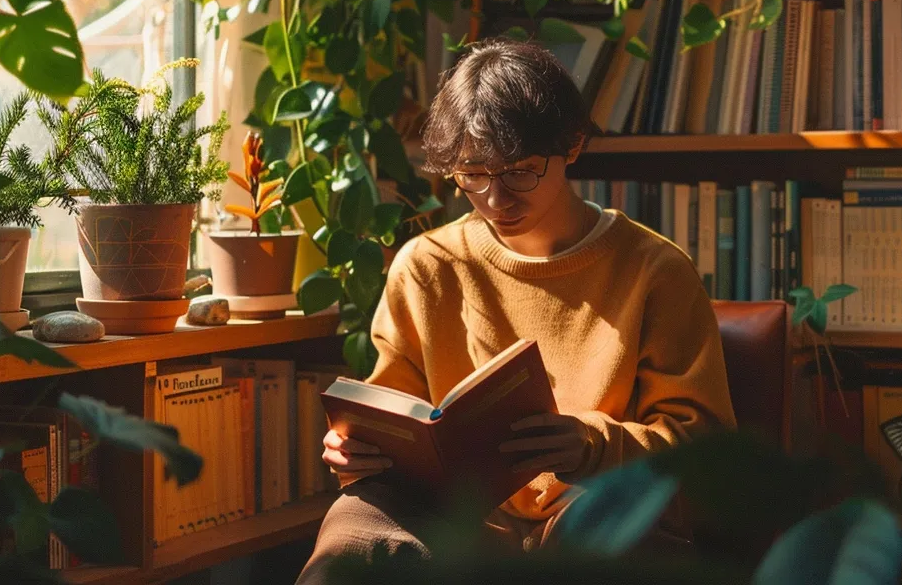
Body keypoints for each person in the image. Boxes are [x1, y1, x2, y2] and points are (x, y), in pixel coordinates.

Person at [295, 38, 736, 583]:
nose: (495, 199)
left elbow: (710, 455)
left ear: (572, 146)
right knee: (354, 529)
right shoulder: (428, 265)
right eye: (472, 173)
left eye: (520, 171)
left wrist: (591, 445)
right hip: (455, 524)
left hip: (590, 511)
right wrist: (356, 449)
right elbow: (395, 414)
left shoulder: (655, 271)